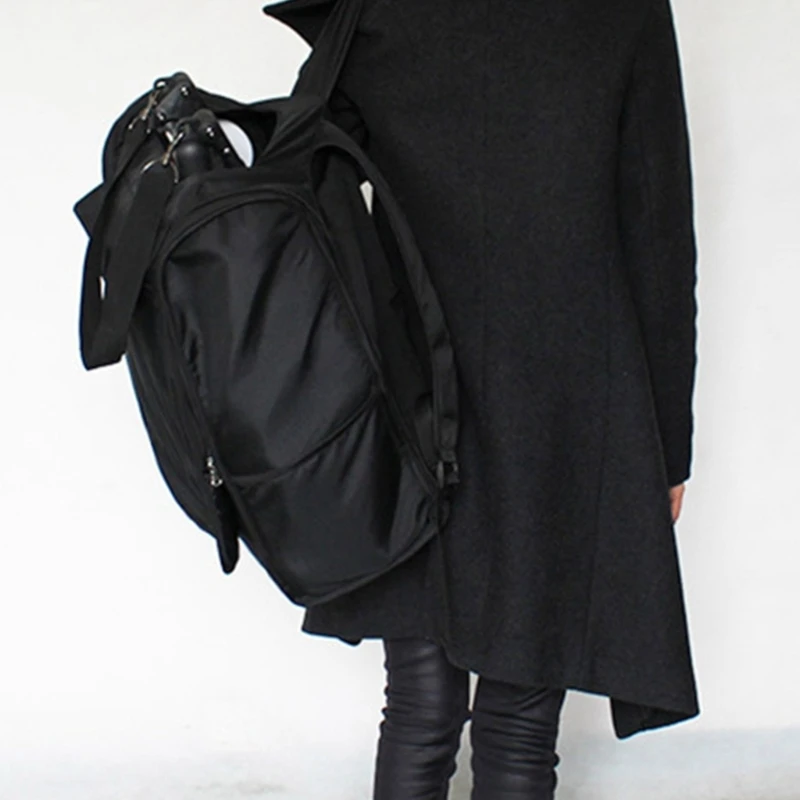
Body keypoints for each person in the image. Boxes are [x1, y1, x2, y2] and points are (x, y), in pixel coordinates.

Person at [262, 0, 700, 796]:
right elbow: (658, 228)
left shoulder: (380, 9)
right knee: (520, 722)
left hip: (417, 391)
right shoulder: (624, 10)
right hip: (564, 400)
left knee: (421, 707)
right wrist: (668, 444)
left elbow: (308, 182)